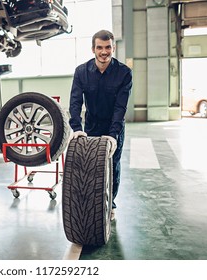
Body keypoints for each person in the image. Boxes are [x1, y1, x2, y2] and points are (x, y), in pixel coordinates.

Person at [68, 30, 133, 221]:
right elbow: (75, 102)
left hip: (114, 127)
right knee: (89, 167)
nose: (104, 52)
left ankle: (110, 203)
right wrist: (77, 128)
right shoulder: (81, 72)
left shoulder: (124, 73)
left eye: (108, 47)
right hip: (92, 127)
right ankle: (90, 202)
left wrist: (113, 135)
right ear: (93, 49)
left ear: (113, 48)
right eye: (100, 48)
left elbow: (121, 107)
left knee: (112, 165)